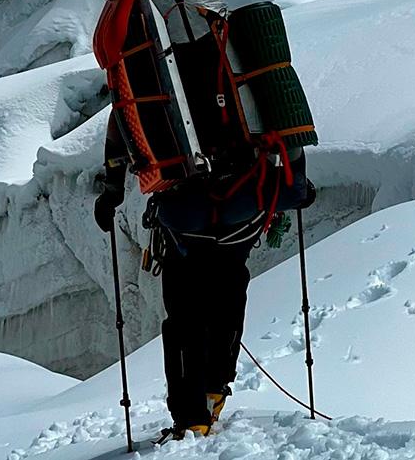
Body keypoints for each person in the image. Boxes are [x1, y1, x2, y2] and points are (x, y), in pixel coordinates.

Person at [93, 35, 315, 444]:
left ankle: (191, 416)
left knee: (185, 320)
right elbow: (282, 119)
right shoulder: (232, 51)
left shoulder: (148, 67)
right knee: (229, 298)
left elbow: (124, 124)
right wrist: (298, 184)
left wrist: (111, 190)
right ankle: (215, 389)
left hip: (184, 222)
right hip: (240, 217)